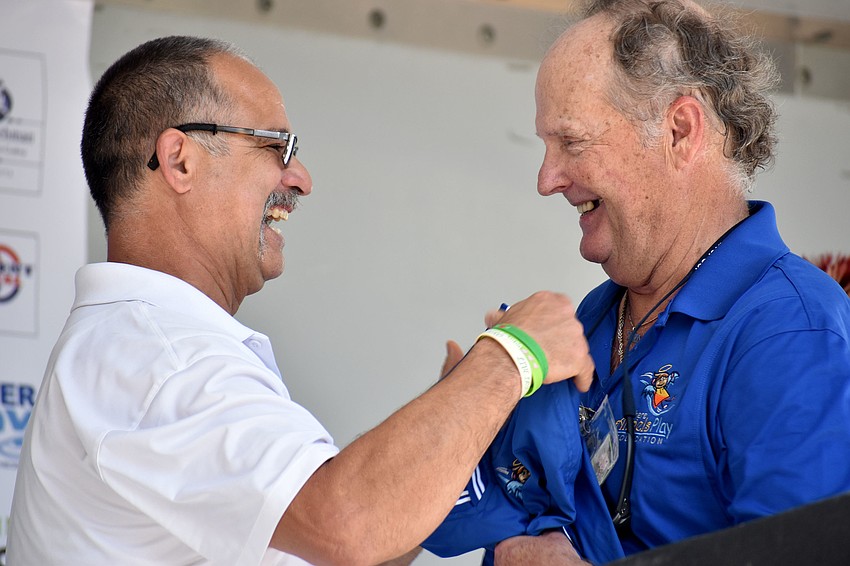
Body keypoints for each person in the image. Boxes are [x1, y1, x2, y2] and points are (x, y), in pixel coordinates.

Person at [6, 36, 597, 566]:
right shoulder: (157, 358)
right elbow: (349, 525)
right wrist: (510, 356)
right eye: (277, 146)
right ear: (180, 160)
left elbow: (351, 550)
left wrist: (464, 416)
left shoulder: (148, 354)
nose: (301, 178)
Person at [424, 0, 850, 563]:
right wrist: (459, 419)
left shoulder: (788, 329)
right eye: (544, 147)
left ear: (679, 130)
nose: (546, 179)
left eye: (571, 142)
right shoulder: (591, 319)